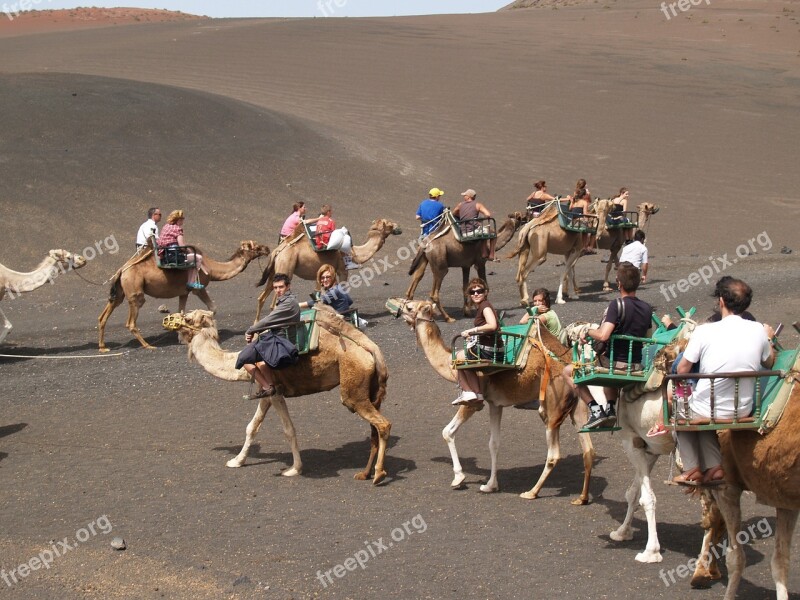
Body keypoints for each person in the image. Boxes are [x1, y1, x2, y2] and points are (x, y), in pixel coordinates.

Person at [671, 277, 775, 485]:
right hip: (742, 409)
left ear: (721, 301)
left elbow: (682, 369)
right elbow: (770, 362)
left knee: (680, 413)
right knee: (705, 412)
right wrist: (769, 337)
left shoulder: (704, 331)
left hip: (708, 407)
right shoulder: (757, 330)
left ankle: (692, 469)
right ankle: (714, 468)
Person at [563, 262, 654, 428]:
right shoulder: (647, 308)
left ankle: (596, 410)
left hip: (616, 365)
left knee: (569, 371)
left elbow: (603, 335)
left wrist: (586, 330)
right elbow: (648, 337)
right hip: (636, 366)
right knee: (606, 361)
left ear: (619, 283)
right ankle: (610, 408)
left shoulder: (616, 305)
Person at [237, 273, 301, 399]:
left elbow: (268, 320)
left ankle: (267, 387)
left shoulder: (288, 303)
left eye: (281, 287)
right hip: (276, 336)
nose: (278, 290)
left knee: (243, 358)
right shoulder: (286, 300)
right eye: (275, 287)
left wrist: (251, 330)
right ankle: (270, 385)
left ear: (288, 286)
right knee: (258, 357)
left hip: (281, 341)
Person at [452, 278, 503, 407]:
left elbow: (492, 325)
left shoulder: (485, 306)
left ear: (485, 292)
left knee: (457, 357)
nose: (476, 294)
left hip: (491, 351)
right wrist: (474, 336)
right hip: (491, 348)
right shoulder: (483, 306)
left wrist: (473, 330)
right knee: (465, 358)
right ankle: (477, 394)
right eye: (472, 292)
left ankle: (469, 391)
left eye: (479, 291)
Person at [156, 209, 206, 290]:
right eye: (182, 219)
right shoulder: (178, 229)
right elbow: (182, 246)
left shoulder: (166, 227)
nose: (183, 221)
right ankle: (191, 283)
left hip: (165, 256)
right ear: (179, 220)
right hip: (175, 257)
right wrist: (189, 251)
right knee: (197, 258)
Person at [453, 189, 497, 261]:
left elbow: (454, 213)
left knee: (483, 231)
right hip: (473, 231)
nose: (464, 196)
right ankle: (491, 255)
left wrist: (462, 216)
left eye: (465, 195)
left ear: (469, 197)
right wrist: (480, 219)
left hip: (463, 231)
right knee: (493, 233)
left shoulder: (460, 205)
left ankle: (484, 252)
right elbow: (488, 214)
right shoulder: (478, 205)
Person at [569, 187, 595, 255]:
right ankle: (585, 247)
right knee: (592, 230)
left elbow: (570, 209)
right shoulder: (584, 202)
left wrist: (572, 202)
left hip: (572, 222)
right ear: (583, 195)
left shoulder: (575, 202)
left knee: (586, 225)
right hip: (579, 222)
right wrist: (593, 216)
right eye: (586, 194)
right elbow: (585, 214)